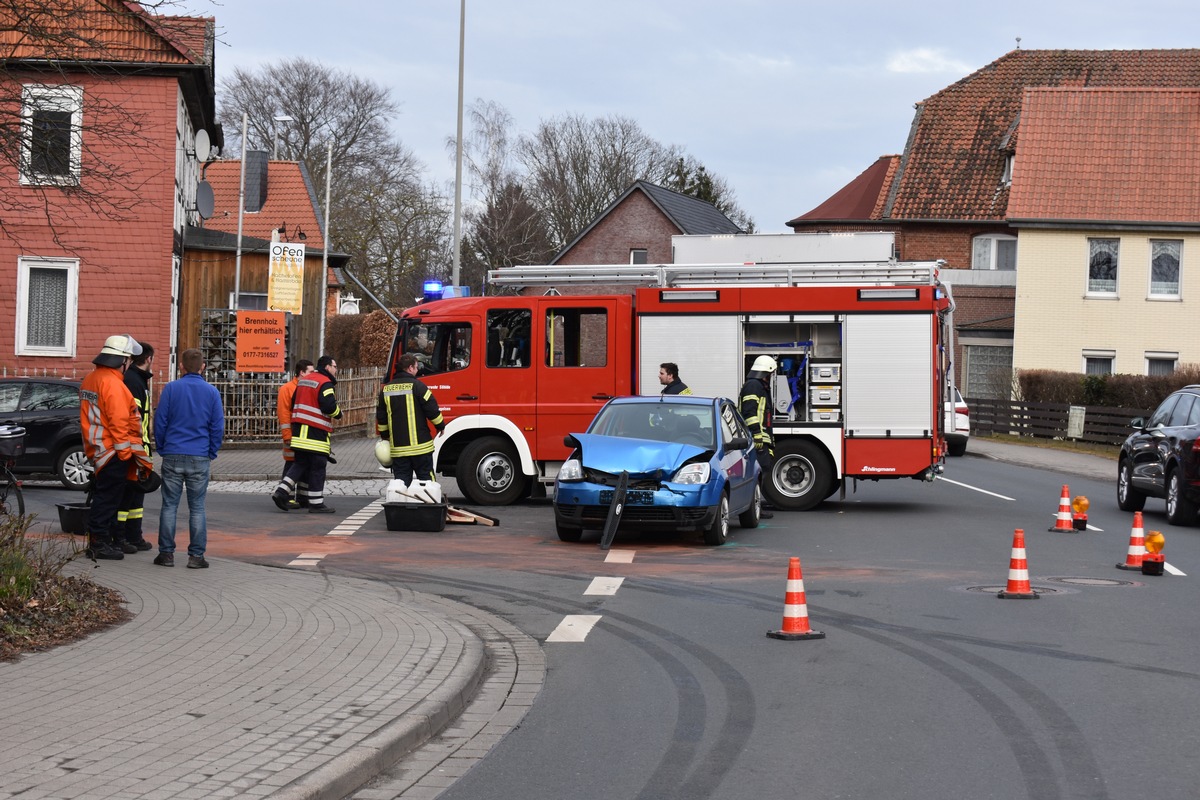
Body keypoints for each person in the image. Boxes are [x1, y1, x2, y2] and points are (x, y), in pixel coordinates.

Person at [80, 334, 154, 560]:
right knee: (107, 499)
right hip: (112, 451)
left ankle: (102, 540)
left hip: (97, 449)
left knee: (105, 496)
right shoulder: (113, 384)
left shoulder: (91, 379)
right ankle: (99, 543)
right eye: (128, 360)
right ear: (122, 360)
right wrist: (125, 454)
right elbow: (120, 422)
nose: (129, 364)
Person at [152, 348, 224, 569]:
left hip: (173, 453)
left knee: (169, 506)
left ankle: (166, 554)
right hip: (199, 455)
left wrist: (163, 448)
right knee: (198, 507)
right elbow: (217, 427)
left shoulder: (171, 389)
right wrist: (211, 451)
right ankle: (196, 556)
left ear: (181, 366)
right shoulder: (212, 392)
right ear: (203, 367)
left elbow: (160, 422)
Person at [272, 354, 341, 513]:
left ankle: (281, 492)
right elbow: (329, 407)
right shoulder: (325, 383)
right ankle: (316, 504)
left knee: (300, 464)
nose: (336, 370)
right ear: (328, 367)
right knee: (318, 467)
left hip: (299, 434)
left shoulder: (303, 382)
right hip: (315, 435)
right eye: (335, 366)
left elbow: (295, 403)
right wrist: (339, 413)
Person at [377, 353, 445, 484]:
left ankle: (402, 503)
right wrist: (440, 426)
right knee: (426, 482)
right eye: (416, 367)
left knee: (401, 483)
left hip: (399, 449)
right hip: (421, 448)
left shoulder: (386, 390)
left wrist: (385, 436)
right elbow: (432, 409)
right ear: (409, 368)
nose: (418, 369)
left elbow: (382, 418)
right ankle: (428, 503)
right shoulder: (419, 387)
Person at [114, 342, 155, 553]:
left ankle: (133, 535)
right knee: (127, 495)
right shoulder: (133, 382)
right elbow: (134, 419)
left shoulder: (135, 380)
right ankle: (120, 537)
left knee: (136, 496)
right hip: (134, 447)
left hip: (138, 447)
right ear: (148, 359)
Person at [740, 355, 777, 520]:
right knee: (758, 472)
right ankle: (754, 508)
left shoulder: (757, 385)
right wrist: (757, 436)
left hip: (760, 437)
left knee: (763, 470)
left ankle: (756, 505)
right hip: (756, 438)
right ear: (767, 371)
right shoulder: (754, 386)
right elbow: (749, 412)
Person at [276, 359, 315, 508]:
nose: (313, 374)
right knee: (292, 464)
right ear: (302, 372)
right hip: (292, 433)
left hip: (303, 434)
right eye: (311, 372)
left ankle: (302, 497)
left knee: (305, 463)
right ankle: (287, 497)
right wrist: (287, 435)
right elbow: (284, 413)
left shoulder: (305, 387)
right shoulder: (287, 389)